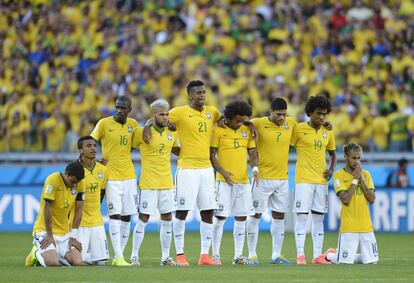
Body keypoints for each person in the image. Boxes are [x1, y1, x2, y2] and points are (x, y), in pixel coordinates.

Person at [143, 80, 223, 266]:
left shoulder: (212, 111)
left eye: (204, 92)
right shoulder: (179, 112)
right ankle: (180, 254)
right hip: (187, 168)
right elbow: (157, 117)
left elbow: (224, 119)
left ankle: (204, 255)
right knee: (182, 211)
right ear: (190, 95)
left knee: (207, 212)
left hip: (206, 169)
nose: (202, 95)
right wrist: (147, 126)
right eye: (198, 93)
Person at [90, 96, 140, 266]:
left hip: (129, 176)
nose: (119, 110)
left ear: (129, 110)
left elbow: (133, 145)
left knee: (127, 216)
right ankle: (117, 255)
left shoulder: (133, 125)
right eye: (117, 107)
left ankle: (120, 255)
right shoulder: (104, 123)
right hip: (110, 177)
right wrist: (94, 161)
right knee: (115, 215)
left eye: (123, 108)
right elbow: (89, 142)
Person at [246, 97, 296, 264]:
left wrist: (325, 125)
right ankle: (252, 254)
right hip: (262, 178)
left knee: (279, 216)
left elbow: (307, 129)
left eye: (284, 114)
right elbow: (241, 121)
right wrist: (250, 124)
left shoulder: (291, 124)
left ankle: (276, 255)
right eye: (278, 114)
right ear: (271, 112)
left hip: (282, 179)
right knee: (255, 215)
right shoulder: (259, 123)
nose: (282, 118)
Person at [130, 99, 179, 266]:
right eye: (161, 114)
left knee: (167, 218)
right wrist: (146, 125)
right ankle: (134, 255)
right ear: (153, 115)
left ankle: (165, 257)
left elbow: (178, 151)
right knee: (143, 217)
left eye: (167, 114)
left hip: (166, 181)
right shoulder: (141, 132)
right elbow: (128, 147)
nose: (165, 117)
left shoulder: (173, 132)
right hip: (148, 182)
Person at [210, 100, 258, 265]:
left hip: (243, 181)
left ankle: (238, 255)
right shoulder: (218, 131)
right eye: (237, 120)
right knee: (220, 218)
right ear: (228, 118)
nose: (240, 123)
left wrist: (256, 169)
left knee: (241, 218)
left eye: (243, 120)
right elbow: (212, 155)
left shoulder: (247, 130)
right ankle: (215, 254)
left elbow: (252, 153)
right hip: (223, 182)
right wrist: (222, 172)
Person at [291, 95, 336, 265]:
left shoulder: (327, 132)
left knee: (318, 219)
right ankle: (300, 255)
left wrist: (331, 169)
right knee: (302, 218)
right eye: (318, 113)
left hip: (321, 182)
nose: (322, 117)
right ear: (310, 113)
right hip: (303, 180)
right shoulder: (298, 129)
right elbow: (285, 146)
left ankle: (318, 256)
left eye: (324, 114)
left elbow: (333, 154)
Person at [324, 142, 378, 264]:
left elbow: (372, 199)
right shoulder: (339, 175)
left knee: (371, 262)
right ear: (345, 157)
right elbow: (346, 199)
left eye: (359, 158)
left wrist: (361, 180)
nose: (357, 161)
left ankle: (348, 254)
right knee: (344, 263)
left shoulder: (366, 175)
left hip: (366, 226)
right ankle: (330, 255)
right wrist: (355, 180)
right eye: (354, 158)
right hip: (349, 226)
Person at [25, 161, 86, 267]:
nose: (74, 185)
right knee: (53, 263)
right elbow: (47, 208)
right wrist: (49, 234)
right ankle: (35, 253)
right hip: (44, 230)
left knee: (77, 262)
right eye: (72, 181)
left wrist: (73, 236)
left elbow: (79, 210)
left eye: (77, 182)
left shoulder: (80, 183)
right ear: (66, 174)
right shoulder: (53, 180)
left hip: (64, 233)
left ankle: (54, 253)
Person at [76, 136, 109, 265]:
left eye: (94, 145)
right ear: (80, 150)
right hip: (80, 224)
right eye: (88, 146)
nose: (93, 148)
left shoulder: (103, 170)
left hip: (97, 222)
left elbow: (101, 193)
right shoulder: (75, 170)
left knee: (101, 263)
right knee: (77, 262)